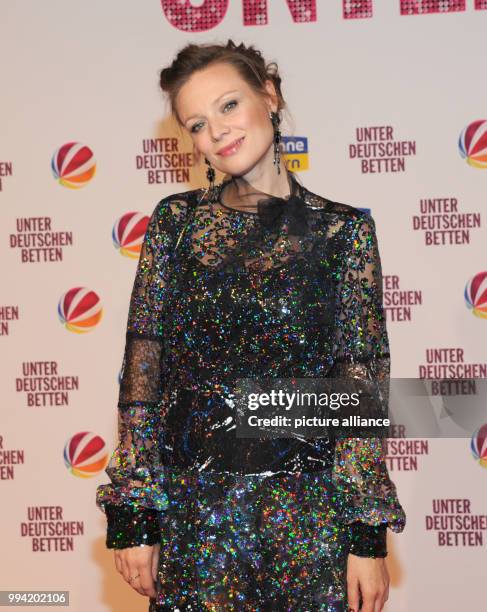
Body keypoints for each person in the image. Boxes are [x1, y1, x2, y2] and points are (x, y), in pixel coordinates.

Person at [96, 39, 406, 611]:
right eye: (196, 122)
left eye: (229, 105)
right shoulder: (175, 225)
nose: (216, 130)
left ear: (270, 95)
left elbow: (358, 391)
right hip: (198, 521)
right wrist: (136, 515)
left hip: (309, 523)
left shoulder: (345, 234)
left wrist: (366, 534)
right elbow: (143, 378)